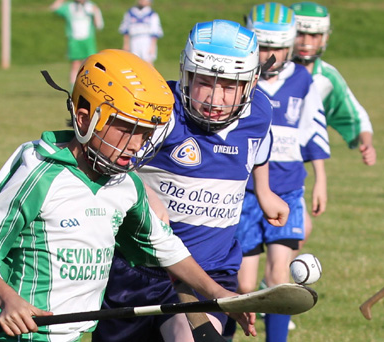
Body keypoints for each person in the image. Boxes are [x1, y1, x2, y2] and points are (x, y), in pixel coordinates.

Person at [0, 50, 255, 342]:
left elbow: (163, 245)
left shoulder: (125, 185)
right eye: (125, 128)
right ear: (83, 117)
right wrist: (6, 297)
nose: (135, 144)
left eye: (145, 133)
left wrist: (218, 294)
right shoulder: (40, 174)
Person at [92, 20, 290, 342]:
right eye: (203, 83)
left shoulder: (259, 111)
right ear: (186, 73)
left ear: (251, 84)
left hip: (210, 268)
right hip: (138, 266)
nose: (215, 98)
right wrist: (144, 193)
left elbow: (259, 147)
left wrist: (264, 190)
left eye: (229, 86)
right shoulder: (160, 112)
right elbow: (112, 164)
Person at [230, 3, 330, 342]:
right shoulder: (241, 82)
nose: (269, 54)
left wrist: (319, 181)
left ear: (289, 46)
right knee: (243, 285)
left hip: (287, 191)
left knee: (277, 277)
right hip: (243, 195)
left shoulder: (302, 80)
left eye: (277, 47)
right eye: (263, 46)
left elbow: (313, 131)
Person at [290, 1, 377, 251]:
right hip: (250, 163)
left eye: (314, 35)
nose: (307, 41)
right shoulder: (268, 71)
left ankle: (270, 286)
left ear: (325, 37)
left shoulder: (326, 78)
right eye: (301, 33)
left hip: (291, 170)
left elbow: (355, 114)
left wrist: (366, 142)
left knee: (300, 230)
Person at [50, 0, 104, 86]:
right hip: (74, 40)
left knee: (89, 65)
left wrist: (95, 14)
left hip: (88, 40)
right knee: (75, 65)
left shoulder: (91, 6)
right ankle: (73, 88)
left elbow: (99, 25)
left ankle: (88, 86)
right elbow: (54, 8)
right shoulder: (69, 7)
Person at [119, 0, 163, 65]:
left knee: (148, 63)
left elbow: (155, 32)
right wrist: (126, 44)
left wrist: (152, 46)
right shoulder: (130, 13)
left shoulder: (152, 14)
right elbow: (126, 30)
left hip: (146, 40)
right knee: (133, 62)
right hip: (134, 40)